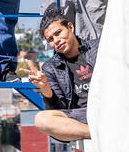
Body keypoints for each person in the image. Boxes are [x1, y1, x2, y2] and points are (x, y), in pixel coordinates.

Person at [18, 8, 98, 142]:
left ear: (70, 27)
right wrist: (45, 89)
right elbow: (59, 110)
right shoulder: (50, 68)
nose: (56, 40)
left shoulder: (97, 47)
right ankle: (97, 134)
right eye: (50, 39)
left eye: (58, 33)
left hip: (110, 105)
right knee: (41, 119)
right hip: (81, 116)